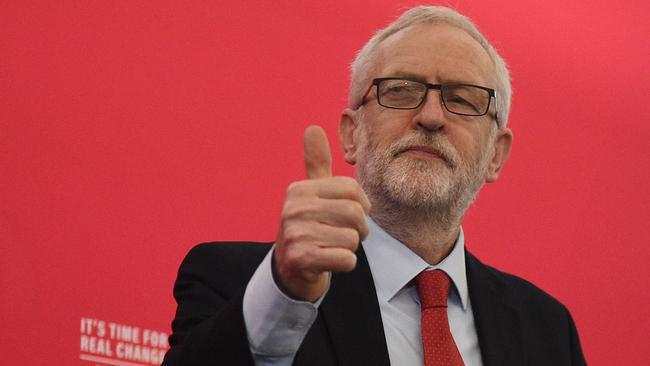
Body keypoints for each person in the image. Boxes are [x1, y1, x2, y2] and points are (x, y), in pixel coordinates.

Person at [162, 6, 586, 366]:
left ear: (496, 154)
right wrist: (284, 293)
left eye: (461, 99)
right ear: (351, 134)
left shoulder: (547, 331)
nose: (432, 116)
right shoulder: (241, 282)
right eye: (401, 91)